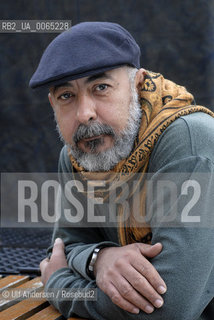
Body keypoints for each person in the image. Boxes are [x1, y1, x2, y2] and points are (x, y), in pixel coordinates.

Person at [29, 22, 214, 320]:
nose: (84, 113)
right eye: (66, 95)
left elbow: (168, 309)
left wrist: (60, 287)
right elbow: (65, 247)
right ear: (53, 103)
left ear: (137, 85)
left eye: (100, 87)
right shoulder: (78, 154)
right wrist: (99, 259)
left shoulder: (189, 142)